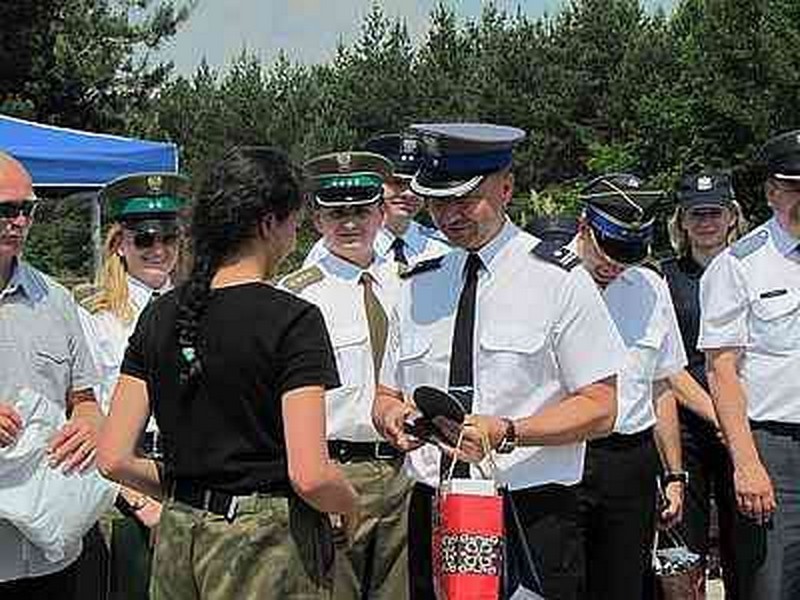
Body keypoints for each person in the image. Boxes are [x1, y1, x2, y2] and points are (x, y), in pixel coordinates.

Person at [373, 123, 625, 599]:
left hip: (529, 510)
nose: (450, 215)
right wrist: (395, 418)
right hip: (437, 506)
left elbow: (601, 406)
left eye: (465, 200)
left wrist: (508, 432)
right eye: (438, 201)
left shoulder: (559, 280)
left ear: (506, 188)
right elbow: (385, 394)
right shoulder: (417, 284)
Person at [97, 146, 358, 599]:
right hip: (264, 542)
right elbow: (310, 474)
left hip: (179, 534)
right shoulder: (293, 319)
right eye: (294, 221)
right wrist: (350, 504)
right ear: (268, 223)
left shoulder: (158, 317)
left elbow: (113, 458)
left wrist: (187, 489)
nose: (295, 236)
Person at [281, 151, 410, 599]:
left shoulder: (414, 286)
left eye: (360, 211)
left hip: (408, 471)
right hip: (337, 469)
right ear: (317, 220)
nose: (349, 223)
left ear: (381, 211)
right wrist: (319, 483)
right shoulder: (298, 298)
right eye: (336, 213)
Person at [572, 173, 688, 599]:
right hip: (564, 454)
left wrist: (674, 474)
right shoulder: (547, 279)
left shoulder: (651, 288)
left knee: (624, 586)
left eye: (627, 256)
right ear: (584, 227)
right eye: (608, 252)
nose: (615, 265)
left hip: (631, 460)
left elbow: (661, 387)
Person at [79, 172, 191, 600]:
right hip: (127, 484)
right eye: (144, 240)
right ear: (119, 244)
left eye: (169, 238)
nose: (158, 250)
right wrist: (140, 501)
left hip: (189, 476)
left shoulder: (198, 308)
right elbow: (92, 415)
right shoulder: (96, 318)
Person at [699, 130, 800, 599]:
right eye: (795, 186)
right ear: (771, 192)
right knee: (770, 584)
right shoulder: (738, 265)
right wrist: (746, 463)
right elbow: (721, 371)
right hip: (775, 449)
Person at [0, 152, 101, 598]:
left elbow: (85, 401)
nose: (19, 221)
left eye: (28, 209)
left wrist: (88, 425)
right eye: (5, 209)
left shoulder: (56, 299)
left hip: (48, 551)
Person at [662, 171, 748, 595]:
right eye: (696, 214)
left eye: (715, 212)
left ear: (732, 216)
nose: (706, 222)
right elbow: (663, 364)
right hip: (687, 429)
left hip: (748, 428)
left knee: (744, 543)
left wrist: (733, 419)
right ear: (682, 221)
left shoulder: (755, 270)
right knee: (683, 547)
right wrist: (716, 413)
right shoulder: (662, 278)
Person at [304, 133, 450, 270]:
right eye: (396, 183)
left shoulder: (441, 247)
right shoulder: (337, 246)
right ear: (374, 186)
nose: (408, 193)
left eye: (416, 184)